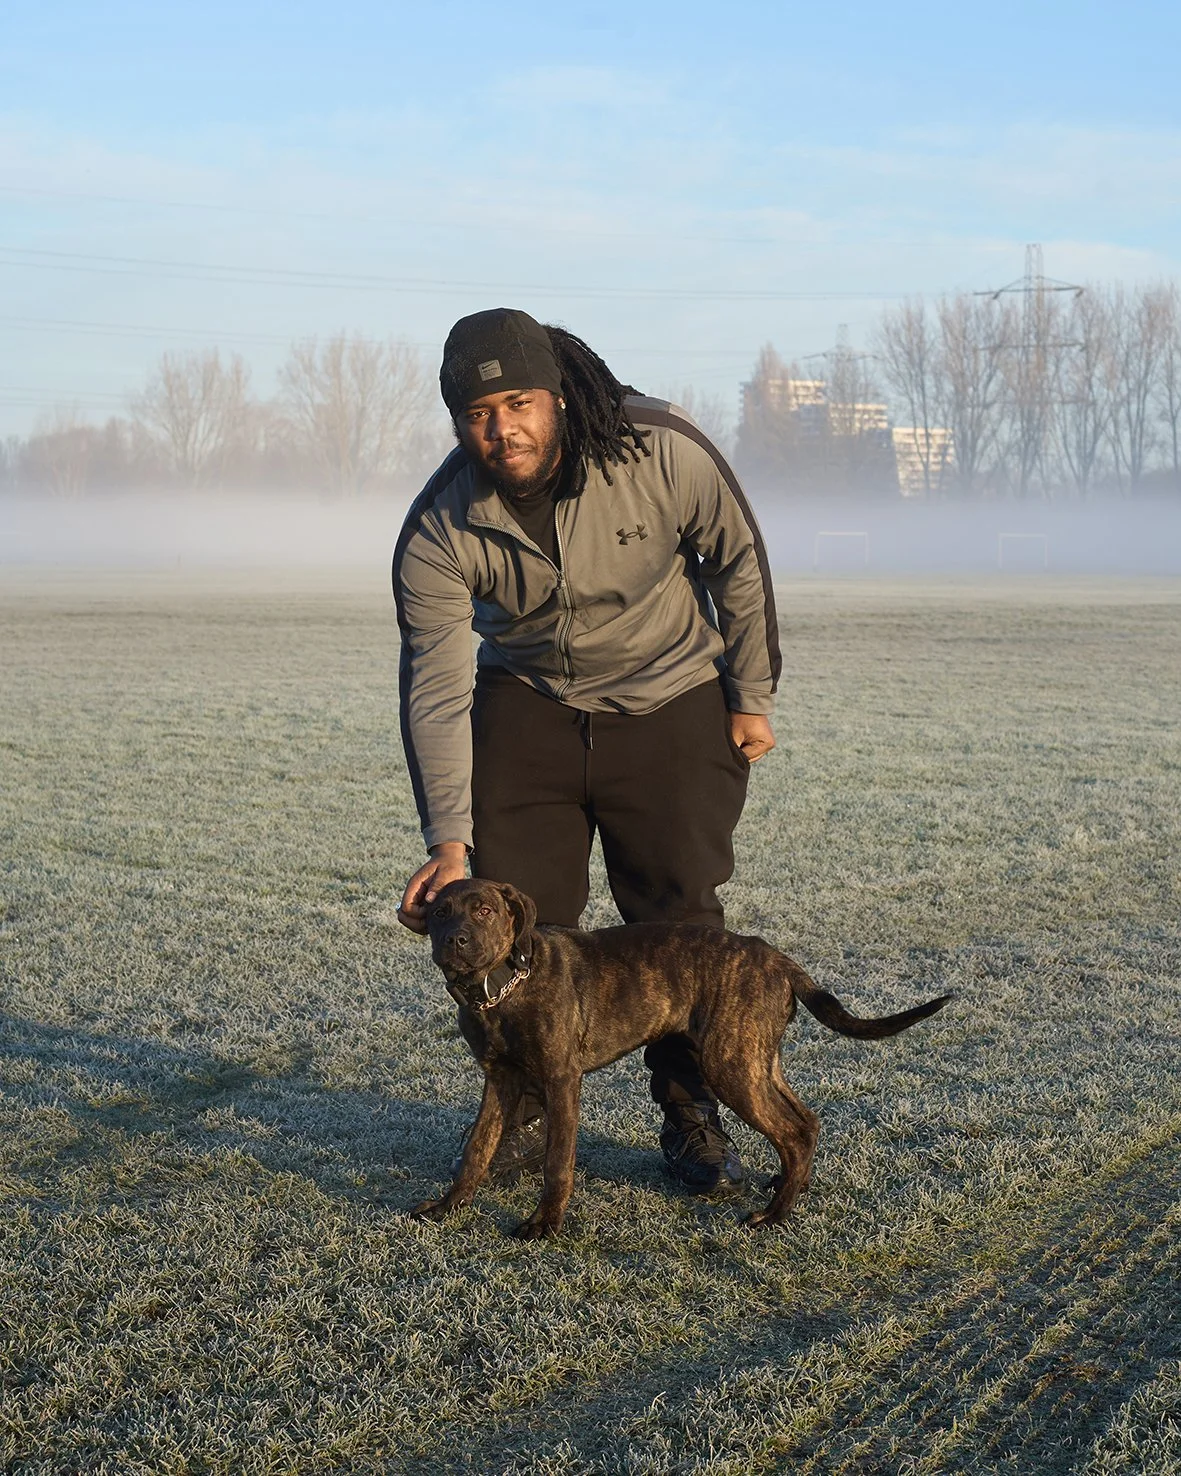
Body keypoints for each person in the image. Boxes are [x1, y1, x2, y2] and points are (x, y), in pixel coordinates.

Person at [393, 308, 780, 1194]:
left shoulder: (661, 449)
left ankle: (690, 1111)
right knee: (529, 919)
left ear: (558, 396)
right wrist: (448, 844)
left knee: (677, 917)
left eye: (519, 402)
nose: (503, 428)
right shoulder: (438, 528)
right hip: (528, 702)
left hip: (669, 692)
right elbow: (437, 689)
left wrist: (750, 694)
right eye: (479, 412)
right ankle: (523, 1108)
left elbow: (737, 560)